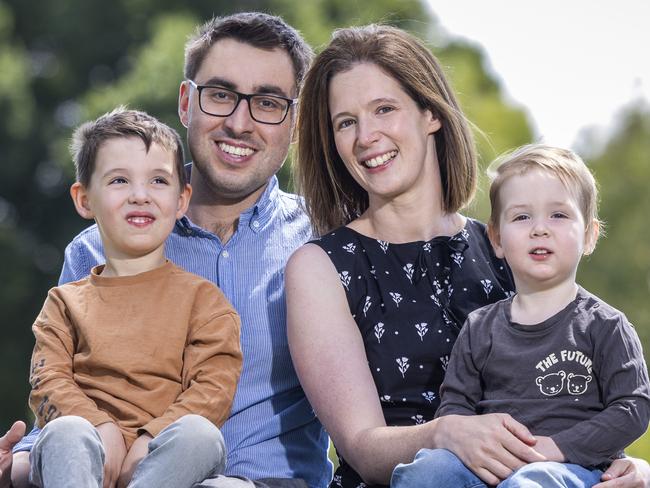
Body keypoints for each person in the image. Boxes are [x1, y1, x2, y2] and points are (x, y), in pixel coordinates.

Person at [286, 23, 650, 488]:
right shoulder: (323, 266)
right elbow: (361, 446)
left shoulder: (507, 243)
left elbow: (581, 380)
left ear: (430, 114)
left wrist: (631, 468)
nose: (366, 136)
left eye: (384, 109)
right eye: (346, 122)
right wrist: (445, 434)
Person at [7, 12, 330, 488]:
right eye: (220, 95)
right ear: (186, 102)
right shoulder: (98, 246)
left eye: (267, 102)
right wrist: (19, 460)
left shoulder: (324, 242)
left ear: (296, 121)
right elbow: (64, 400)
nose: (239, 123)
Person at [391, 144, 650, 487]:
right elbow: (455, 407)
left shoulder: (605, 326)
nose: (539, 229)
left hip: (571, 468)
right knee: (425, 472)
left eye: (558, 215)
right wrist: (473, 446)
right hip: (489, 466)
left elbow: (632, 408)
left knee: (530, 482)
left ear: (589, 235)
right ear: (496, 239)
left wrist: (559, 447)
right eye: (521, 216)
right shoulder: (480, 327)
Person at [27, 107, 242, 488]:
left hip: (167, 464)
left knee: (201, 435)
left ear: (181, 200)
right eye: (119, 181)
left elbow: (213, 389)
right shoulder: (63, 303)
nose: (140, 196)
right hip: (86, 459)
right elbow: (49, 382)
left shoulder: (205, 302)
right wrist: (100, 427)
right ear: (84, 200)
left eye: (158, 181)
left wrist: (148, 441)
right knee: (66, 433)